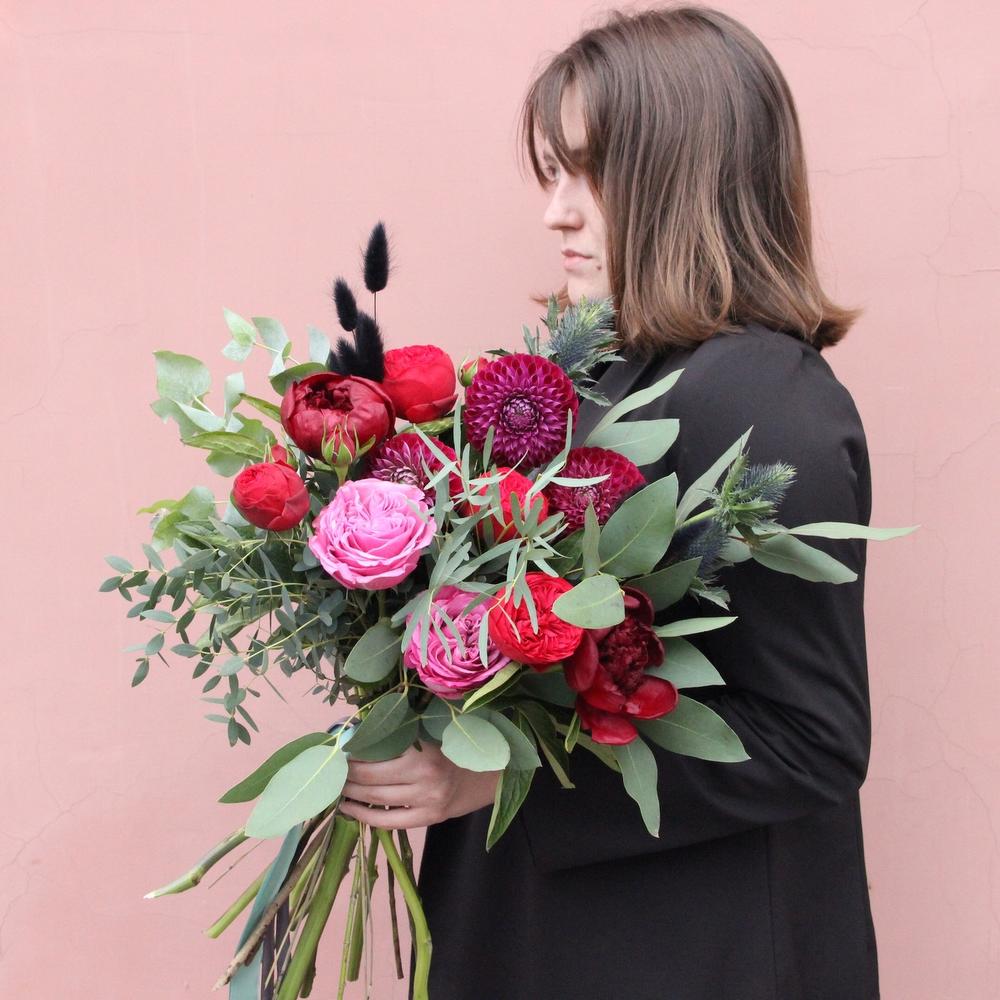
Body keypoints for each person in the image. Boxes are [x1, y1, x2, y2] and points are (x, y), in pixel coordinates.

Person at [339, 6, 880, 998]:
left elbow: (813, 741)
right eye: (551, 174)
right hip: (567, 926)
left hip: (679, 951)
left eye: (588, 172)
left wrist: (499, 776)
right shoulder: (611, 376)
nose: (556, 213)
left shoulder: (761, 396)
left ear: (690, 173)